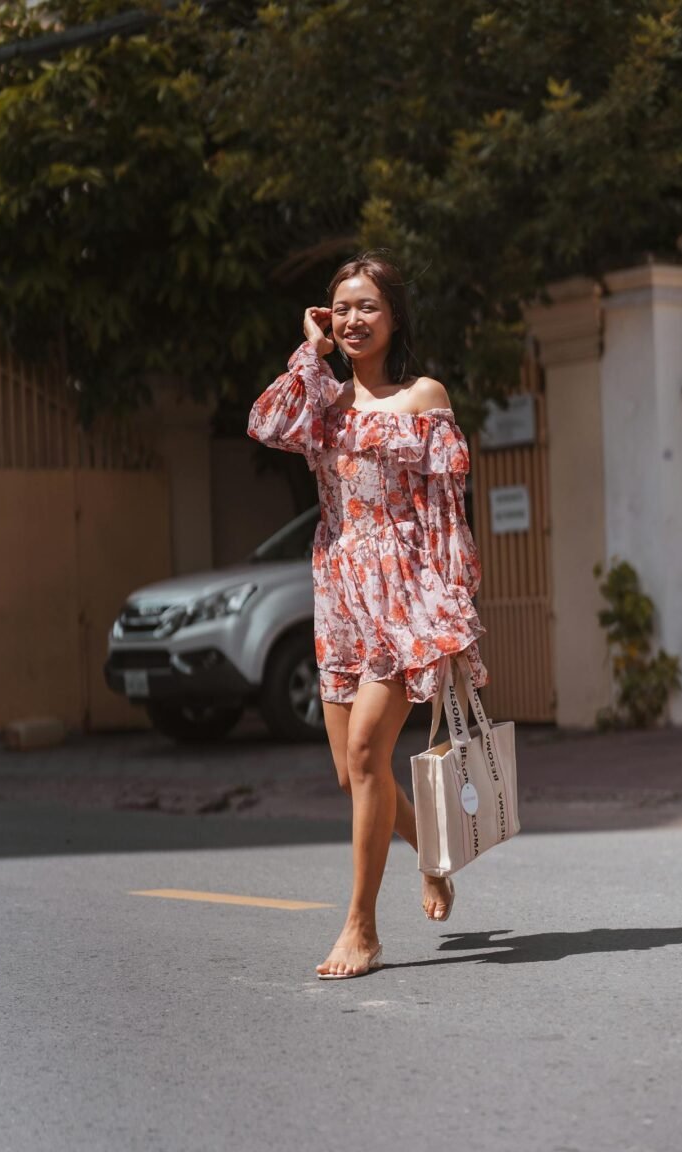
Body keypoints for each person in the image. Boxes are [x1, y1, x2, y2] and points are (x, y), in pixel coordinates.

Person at [248, 252, 488, 979]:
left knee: (365, 757)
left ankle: (361, 929)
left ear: (395, 317)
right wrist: (310, 351)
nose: (353, 319)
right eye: (341, 307)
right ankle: (433, 859)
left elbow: (448, 518)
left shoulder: (423, 397)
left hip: (406, 595)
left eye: (367, 307)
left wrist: (455, 612)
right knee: (354, 778)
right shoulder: (320, 403)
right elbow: (266, 424)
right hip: (341, 594)